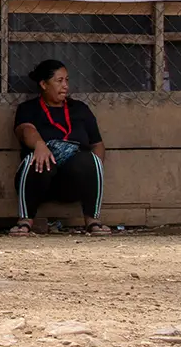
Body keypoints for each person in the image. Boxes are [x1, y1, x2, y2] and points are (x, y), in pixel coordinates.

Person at [12, 58, 111, 237]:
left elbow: (97, 144)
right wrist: (40, 145)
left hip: (72, 181)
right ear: (43, 84)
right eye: (59, 81)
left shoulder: (80, 109)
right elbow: (25, 130)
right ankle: (25, 220)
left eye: (67, 80)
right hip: (41, 179)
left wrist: (93, 173)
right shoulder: (29, 109)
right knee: (34, 160)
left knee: (90, 160)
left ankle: (93, 220)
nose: (65, 86)